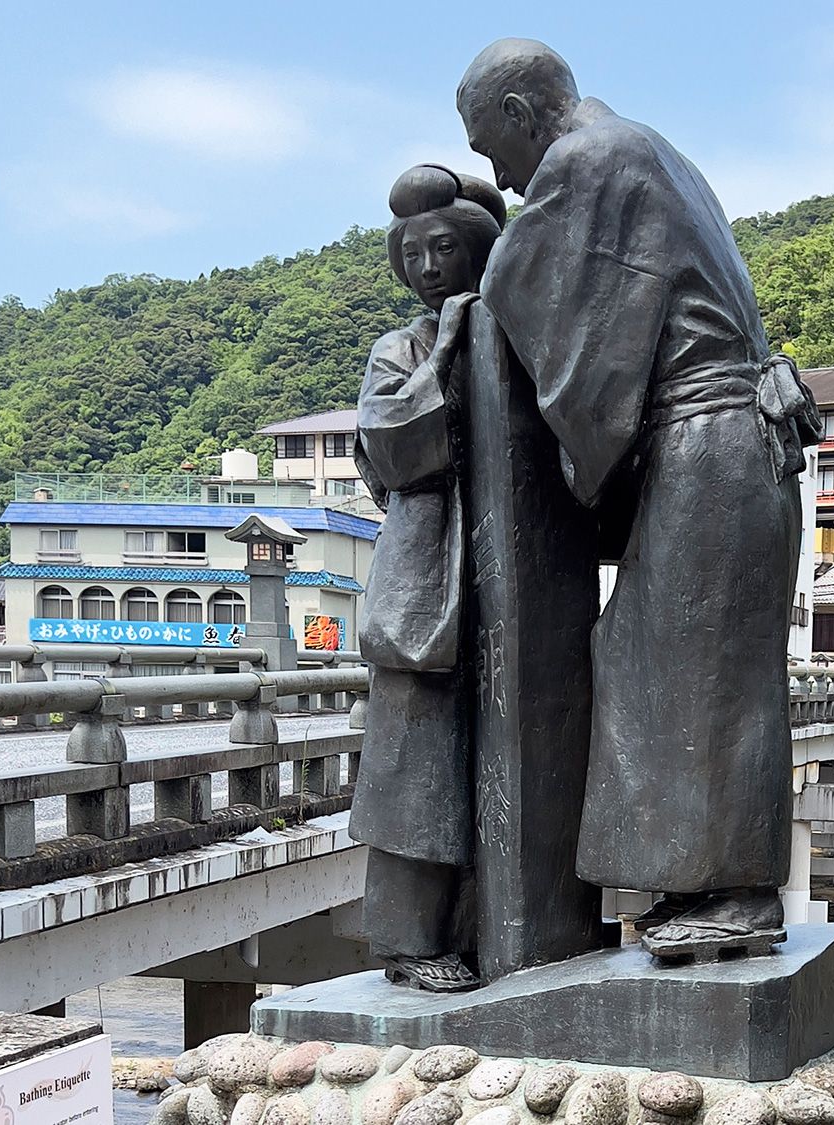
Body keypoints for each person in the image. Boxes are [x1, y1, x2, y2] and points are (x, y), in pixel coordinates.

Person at [458, 39, 820, 959]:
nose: (493, 176)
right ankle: (701, 885)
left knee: (696, 679)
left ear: (517, 111)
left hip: (710, 444)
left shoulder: (591, 157)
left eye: (486, 148)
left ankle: (737, 898)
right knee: (677, 669)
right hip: (743, 446)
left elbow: (524, 291)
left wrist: (472, 287)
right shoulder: (658, 153)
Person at [348, 162, 506, 991]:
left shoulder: (518, 327)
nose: (429, 266)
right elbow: (392, 447)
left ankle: (495, 932)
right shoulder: (399, 348)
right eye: (413, 254)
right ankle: (409, 941)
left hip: (506, 586)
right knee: (419, 769)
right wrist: (448, 345)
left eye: (445, 247)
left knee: (502, 766)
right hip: (425, 584)